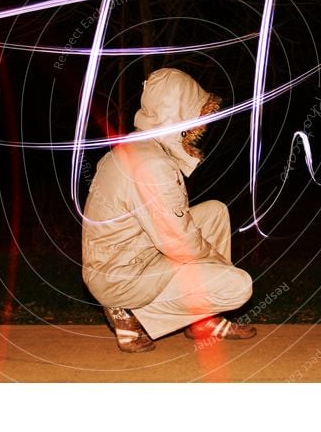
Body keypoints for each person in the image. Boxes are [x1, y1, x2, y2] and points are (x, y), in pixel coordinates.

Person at [81, 67, 255, 352]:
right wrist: (213, 264)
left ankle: (200, 320)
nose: (203, 124)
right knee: (237, 286)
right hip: (123, 277)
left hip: (128, 257)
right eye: (197, 115)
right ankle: (128, 312)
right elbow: (179, 243)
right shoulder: (152, 165)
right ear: (179, 116)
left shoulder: (139, 150)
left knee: (214, 212)